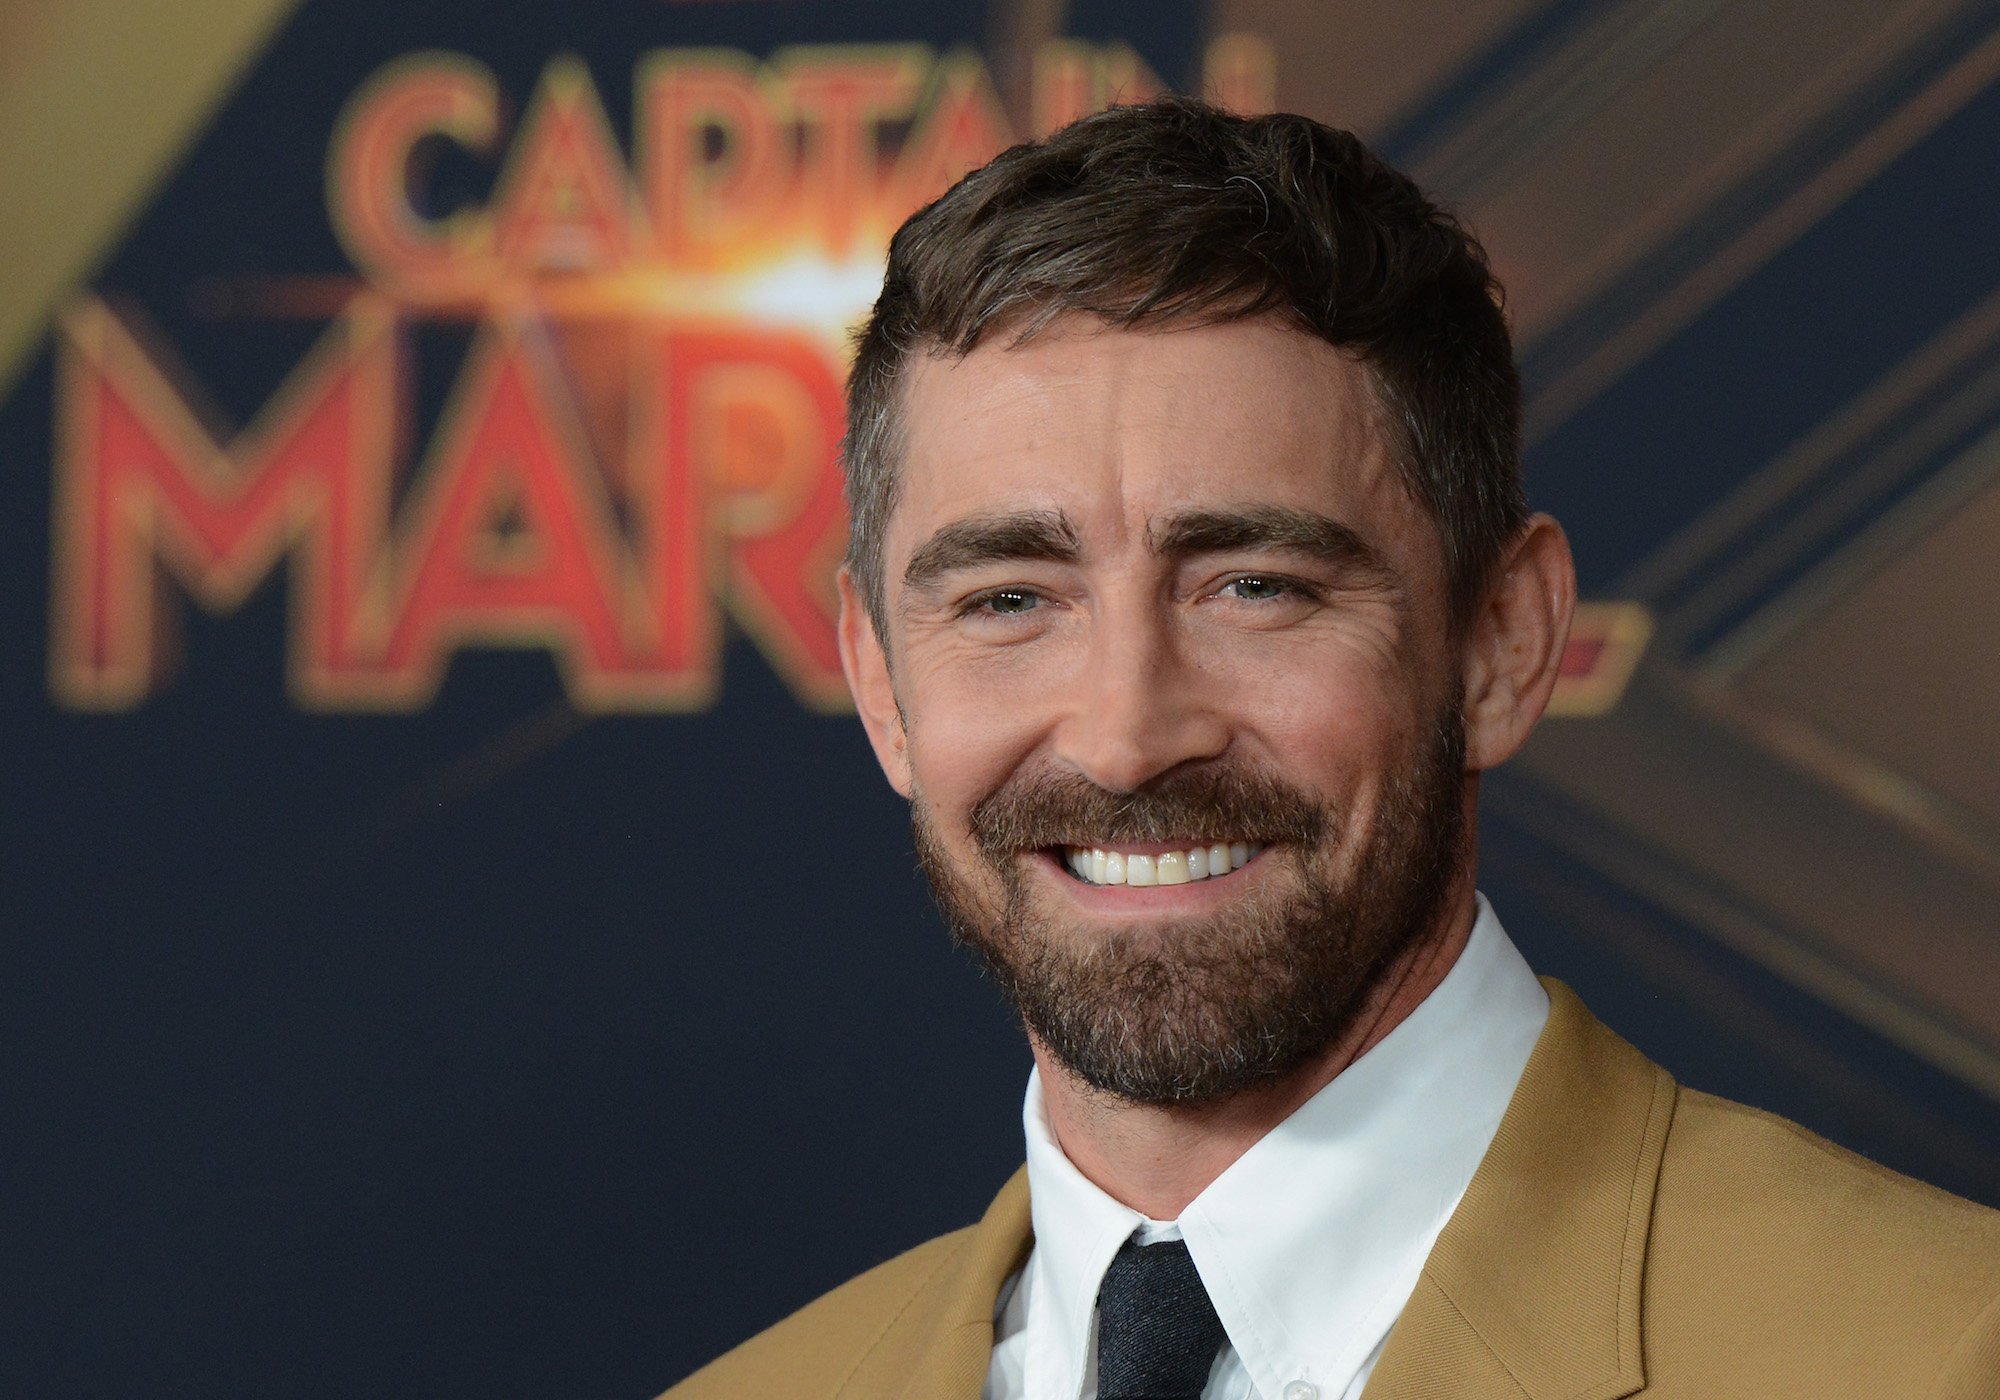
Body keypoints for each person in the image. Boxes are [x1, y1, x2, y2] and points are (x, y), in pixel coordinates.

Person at [663, 97, 2000, 1399]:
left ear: (1501, 642)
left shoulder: (1942, 1356)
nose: (1126, 739)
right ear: (879, 681)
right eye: (1009, 600)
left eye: (1254, 587)